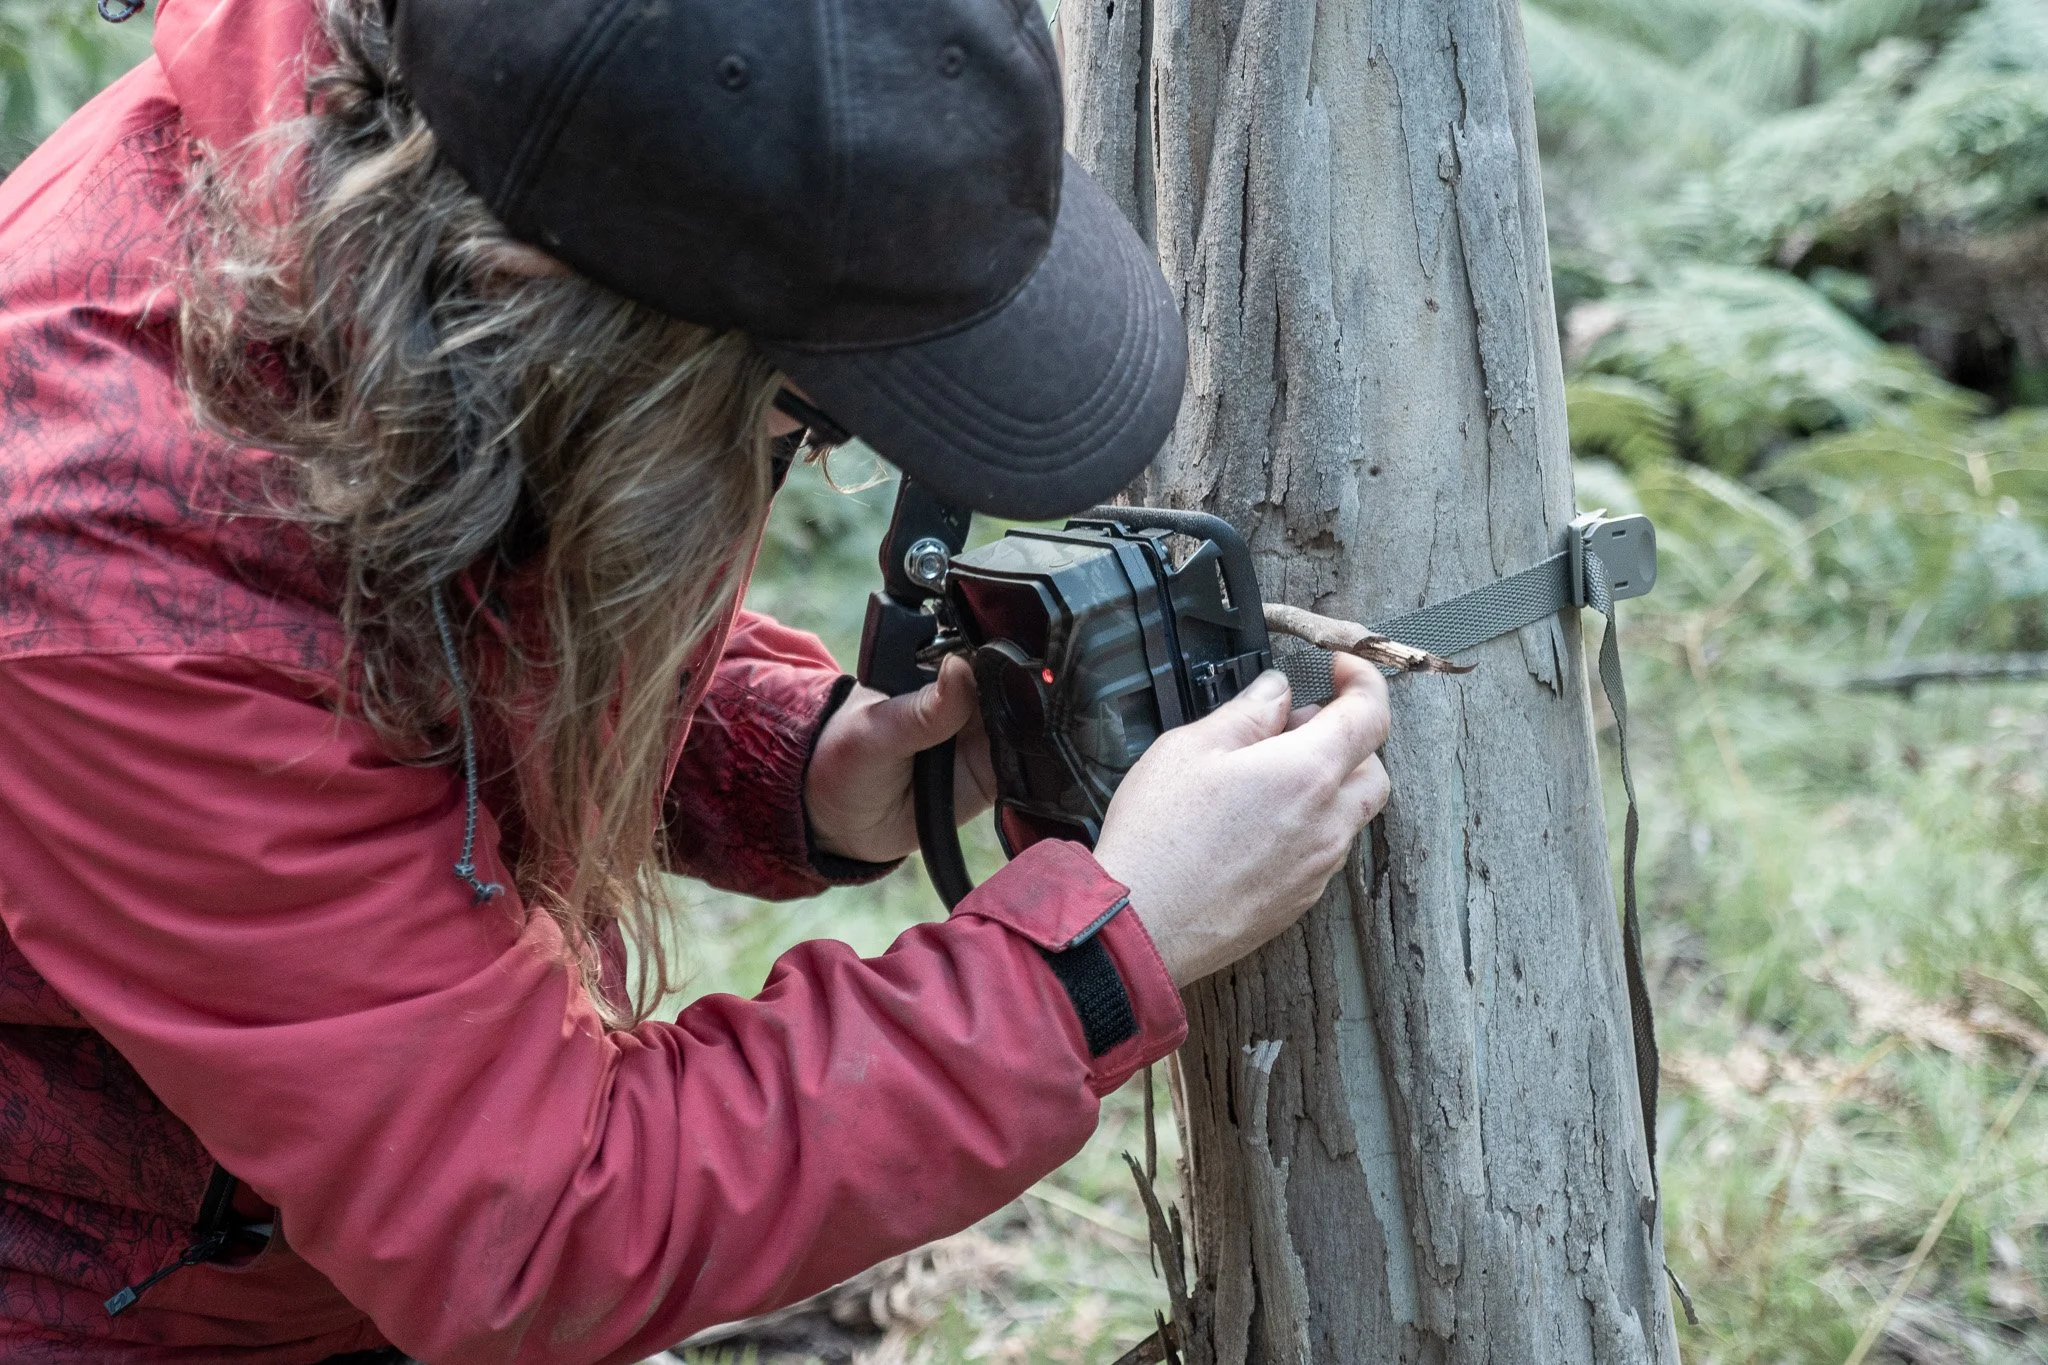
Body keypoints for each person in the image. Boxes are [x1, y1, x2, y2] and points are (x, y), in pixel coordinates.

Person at [0, 0, 1393, 1358]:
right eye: (811, 411)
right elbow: (530, 1231)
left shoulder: (461, 158)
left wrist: (782, 757)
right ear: (547, 304)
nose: (811, 456)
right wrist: (1088, 962)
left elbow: (452, 594)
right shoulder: (116, 578)